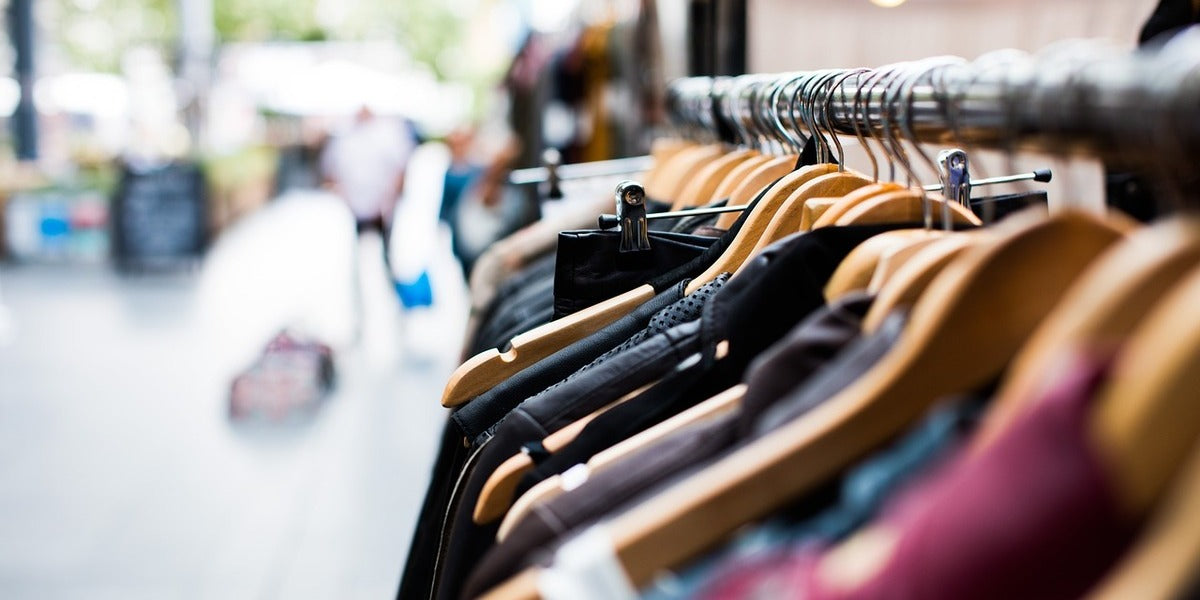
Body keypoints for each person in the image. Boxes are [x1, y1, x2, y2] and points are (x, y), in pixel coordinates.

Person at [320, 105, 417, 336]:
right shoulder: (345, 139)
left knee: (386, 260)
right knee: (356, 262)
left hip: (380, 209)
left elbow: (400, 170)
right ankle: (359, 312)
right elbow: (330, 171)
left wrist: (388, 201)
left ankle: (394, 307)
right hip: (356, 208)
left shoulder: (385, 136)